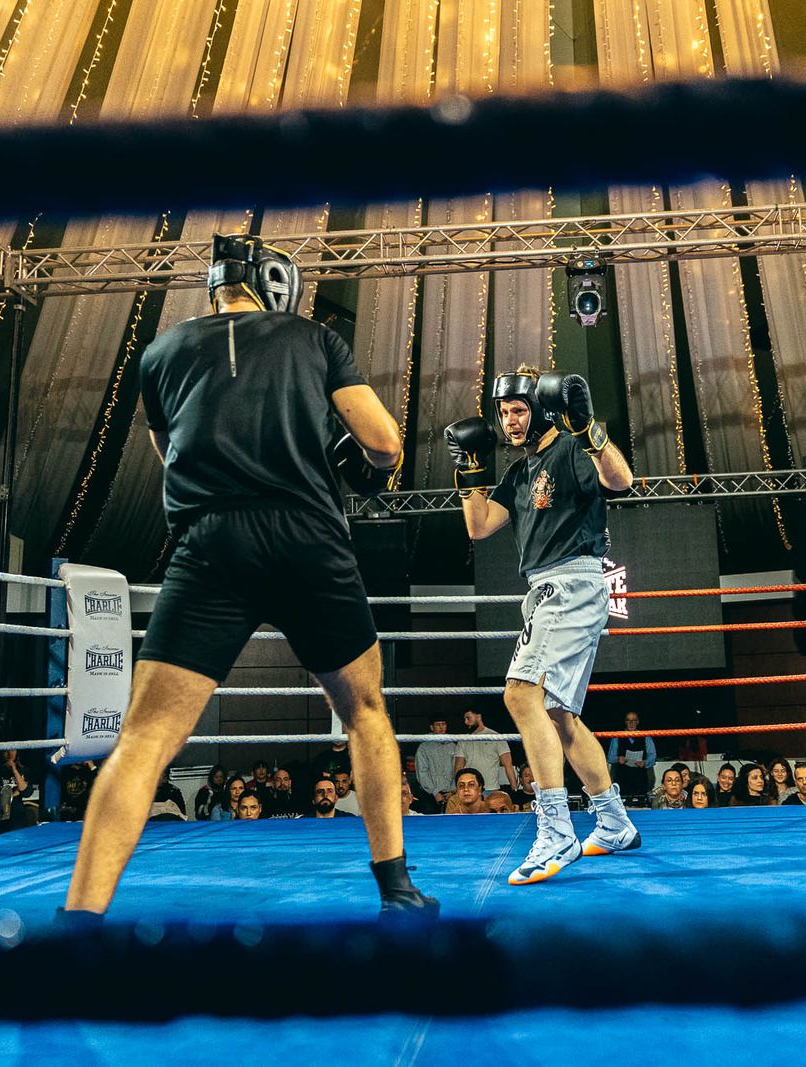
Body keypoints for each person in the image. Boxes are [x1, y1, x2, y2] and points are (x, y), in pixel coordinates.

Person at [63, 236, 433, 920]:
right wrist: (335, 449)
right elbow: (385, 444)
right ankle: (398, 892)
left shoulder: (160, 352)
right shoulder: (314, 338)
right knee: (365, 711)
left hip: (209, 544)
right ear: (276, 283)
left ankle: (78, 920)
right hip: (307, 538)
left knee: (144, 736)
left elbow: (170, 452)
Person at [447, 365, 640, 885]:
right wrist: (469, 469)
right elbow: (479, 525)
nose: (509, 421)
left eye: (519, 410)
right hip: (545, 589)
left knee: (519, 695)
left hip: (570, 582)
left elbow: (621, 480)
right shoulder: (519, 471)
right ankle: (615, 823)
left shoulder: (572, 447)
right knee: (559, 717)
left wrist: (591, 430)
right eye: (503, 412)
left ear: (542, 410)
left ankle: (555, 830)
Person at [453, 709, 516, 793]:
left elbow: (508, 765)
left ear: (478, 717)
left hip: (491, 788)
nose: (466, 722)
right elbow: (458, 767)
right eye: (464, 719)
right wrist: (457, 790)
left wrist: (515, 789)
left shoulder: (496, 737)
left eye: (468, 718)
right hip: (470, 790)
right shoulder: (463, 740)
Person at [606, 712, 657, 803]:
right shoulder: (617, 736)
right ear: (625, 722)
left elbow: (653, 757)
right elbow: (610, 758)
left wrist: (645, 762)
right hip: (621, 780)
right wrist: (618, 759)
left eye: (634, 720)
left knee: (642, 804)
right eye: (628, 720)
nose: (631, 723)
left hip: (641, 780)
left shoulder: (646, 736)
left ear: (638, 722)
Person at [414, 715, 457, 810]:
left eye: (443, 724)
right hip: (430, 795)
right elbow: (422, 772)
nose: (441, 727)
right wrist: (435, 792)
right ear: (432, 727)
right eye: (438, 724)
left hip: (451, 794)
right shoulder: (424, 747)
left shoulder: (452, 746)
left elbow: (457, 769)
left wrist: (452, 790)